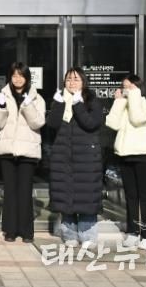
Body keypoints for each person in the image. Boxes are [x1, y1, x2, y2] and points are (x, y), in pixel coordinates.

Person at [0, 62, 46, 243]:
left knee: (25, 191)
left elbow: (38, 123)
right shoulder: (3, 95)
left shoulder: (37, 98)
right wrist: (1, 107)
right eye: (14, 75)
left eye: (21, 75)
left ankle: (26, 231)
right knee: (10, 191)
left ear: (27, 77)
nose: (17, 79)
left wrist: (28, 105)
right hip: (7, 150)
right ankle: (10, 230)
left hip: (27, 151)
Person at [47, 67, 103, 249]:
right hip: (63, 155)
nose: (72, 83)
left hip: (86, 157)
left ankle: (88, 236)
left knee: (86, 196)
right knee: (65, 195)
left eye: (76, 79)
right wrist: (58, 104)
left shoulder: (91, 100)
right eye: (69, 79)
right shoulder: (60, 99)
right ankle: (69, 234)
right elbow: (52, 124)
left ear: (83, 82)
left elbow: (91, 123)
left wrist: (78, 104)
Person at [105, 74, 146, 250]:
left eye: (129, 87)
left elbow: (137, 119)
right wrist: (118, 102)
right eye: (124, 87)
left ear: (138, 88)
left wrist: (133, 96)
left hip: (142, 154)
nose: (125, 90)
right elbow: (112, 123)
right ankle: (133, 231)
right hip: (125, 154)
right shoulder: (124, 105)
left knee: (145, 196)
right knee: (130, 196)